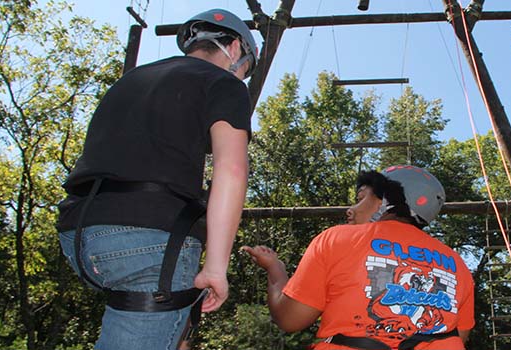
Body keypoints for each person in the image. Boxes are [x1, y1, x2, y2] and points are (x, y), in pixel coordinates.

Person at [54, 8, 257, 349]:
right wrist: (216, 268)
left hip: (80, 234)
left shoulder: (131, 79)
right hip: (149, 241)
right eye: (245, 72)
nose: (241, 78)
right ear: (235, 49)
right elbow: (232, 170)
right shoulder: (224, 84)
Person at [244, 165, 476, 349]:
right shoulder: (458, 265)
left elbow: (289, 319)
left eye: (362, 198)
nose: (351, 209)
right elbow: (459, 336)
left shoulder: (336, 239)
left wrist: (275, 269)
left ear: (385, 201)